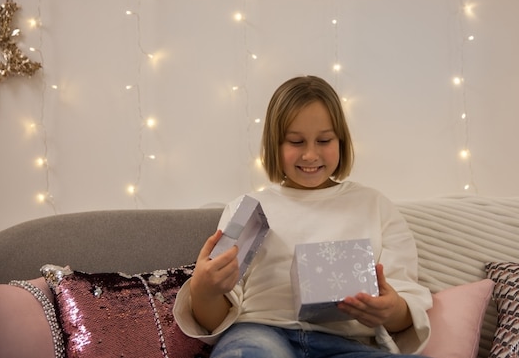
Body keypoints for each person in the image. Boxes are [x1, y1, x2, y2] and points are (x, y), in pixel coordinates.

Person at [173, 75, 432, 357]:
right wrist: (204, 290)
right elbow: (215, 322)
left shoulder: (374, 205)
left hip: (348, 342)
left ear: (341, 140)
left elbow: (407, 305)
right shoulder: (247, 208)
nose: (310, 155)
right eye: (296, 142)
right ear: (274, 145)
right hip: (261, 333)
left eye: (324, 140)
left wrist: (391, 309)